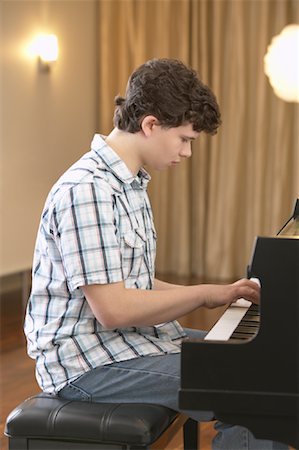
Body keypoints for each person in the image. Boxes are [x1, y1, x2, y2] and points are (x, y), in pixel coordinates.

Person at [24, 58, 286, 449]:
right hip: (89, 364)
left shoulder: (129, 184)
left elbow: (134, 283)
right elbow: (114, 309)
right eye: (185, 139)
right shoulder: (89, 190)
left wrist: (218, 290)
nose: (187, 152)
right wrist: (202, 294)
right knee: (248, 384)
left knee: (262, 366)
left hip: (129, 344)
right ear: (150, 124)